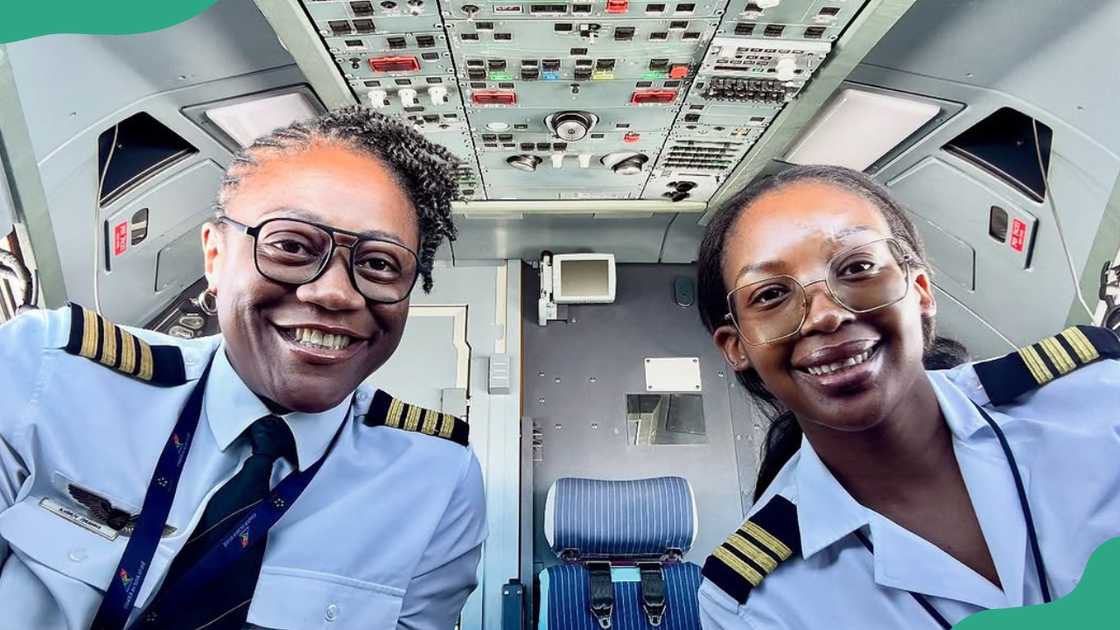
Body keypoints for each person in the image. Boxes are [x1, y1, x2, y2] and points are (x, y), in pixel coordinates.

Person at [0, 107, 486, 629]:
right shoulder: (49, 371)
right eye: (292, 246)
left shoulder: (437, 478)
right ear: (215, 255)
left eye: (378, 263)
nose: (335, 292)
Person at [693, 164, 1120, 629]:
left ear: (919, 291)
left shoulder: (1099, 398)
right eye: (771, 294)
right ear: (737, 348)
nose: (825, 316)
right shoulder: (750, 600)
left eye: (857, 267)